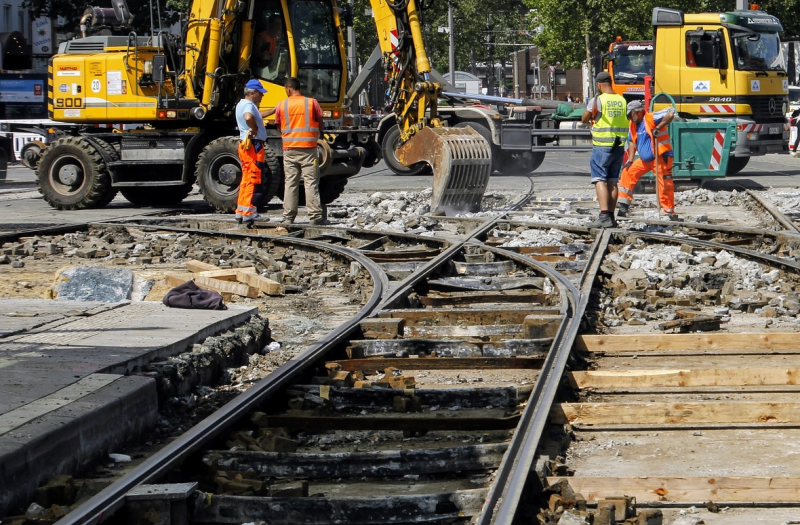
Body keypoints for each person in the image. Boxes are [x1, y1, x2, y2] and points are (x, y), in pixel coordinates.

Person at [274, 77, 326, 225]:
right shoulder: (311, 103)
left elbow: (279, 127)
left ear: (288, 89)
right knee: (311, 182)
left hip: (289, 150)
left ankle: (288, 217)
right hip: (309, 149)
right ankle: (315, 216)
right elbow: (321, 124)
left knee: (290, 182)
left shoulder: (281, 105)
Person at [581, 71, 628, 228]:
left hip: (602, 146)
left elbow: (584, 118)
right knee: (613, 181)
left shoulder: (598, 100)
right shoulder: (622, 100)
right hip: (619, 146)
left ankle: (603, 216)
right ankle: (611, 218)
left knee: (599, 179)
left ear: (599, 85)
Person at [616, 100, 677, 219]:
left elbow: (670, 114)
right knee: (627, 172)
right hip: (645, 161)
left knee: (664, 184)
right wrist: (630, 160)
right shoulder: (633, 124)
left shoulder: (650, 118)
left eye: (630, 114)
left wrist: (658, 128)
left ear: (637, 112)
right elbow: (632, 142)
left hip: (660, 157)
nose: (628, 117)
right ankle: (623, 204)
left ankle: (668, 211)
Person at [234, 79, 276, 226]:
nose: (262, 96)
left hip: (246, 145)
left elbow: (256, 115)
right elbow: (249, 116)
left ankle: (242, 211)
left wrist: (273, 110)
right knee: (254, 178)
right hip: (254, 145)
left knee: (246, 179)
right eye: (260, 94)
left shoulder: (242, 104)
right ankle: (250, 213)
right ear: (252, 93)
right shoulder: (248, 105)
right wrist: (255, 129)